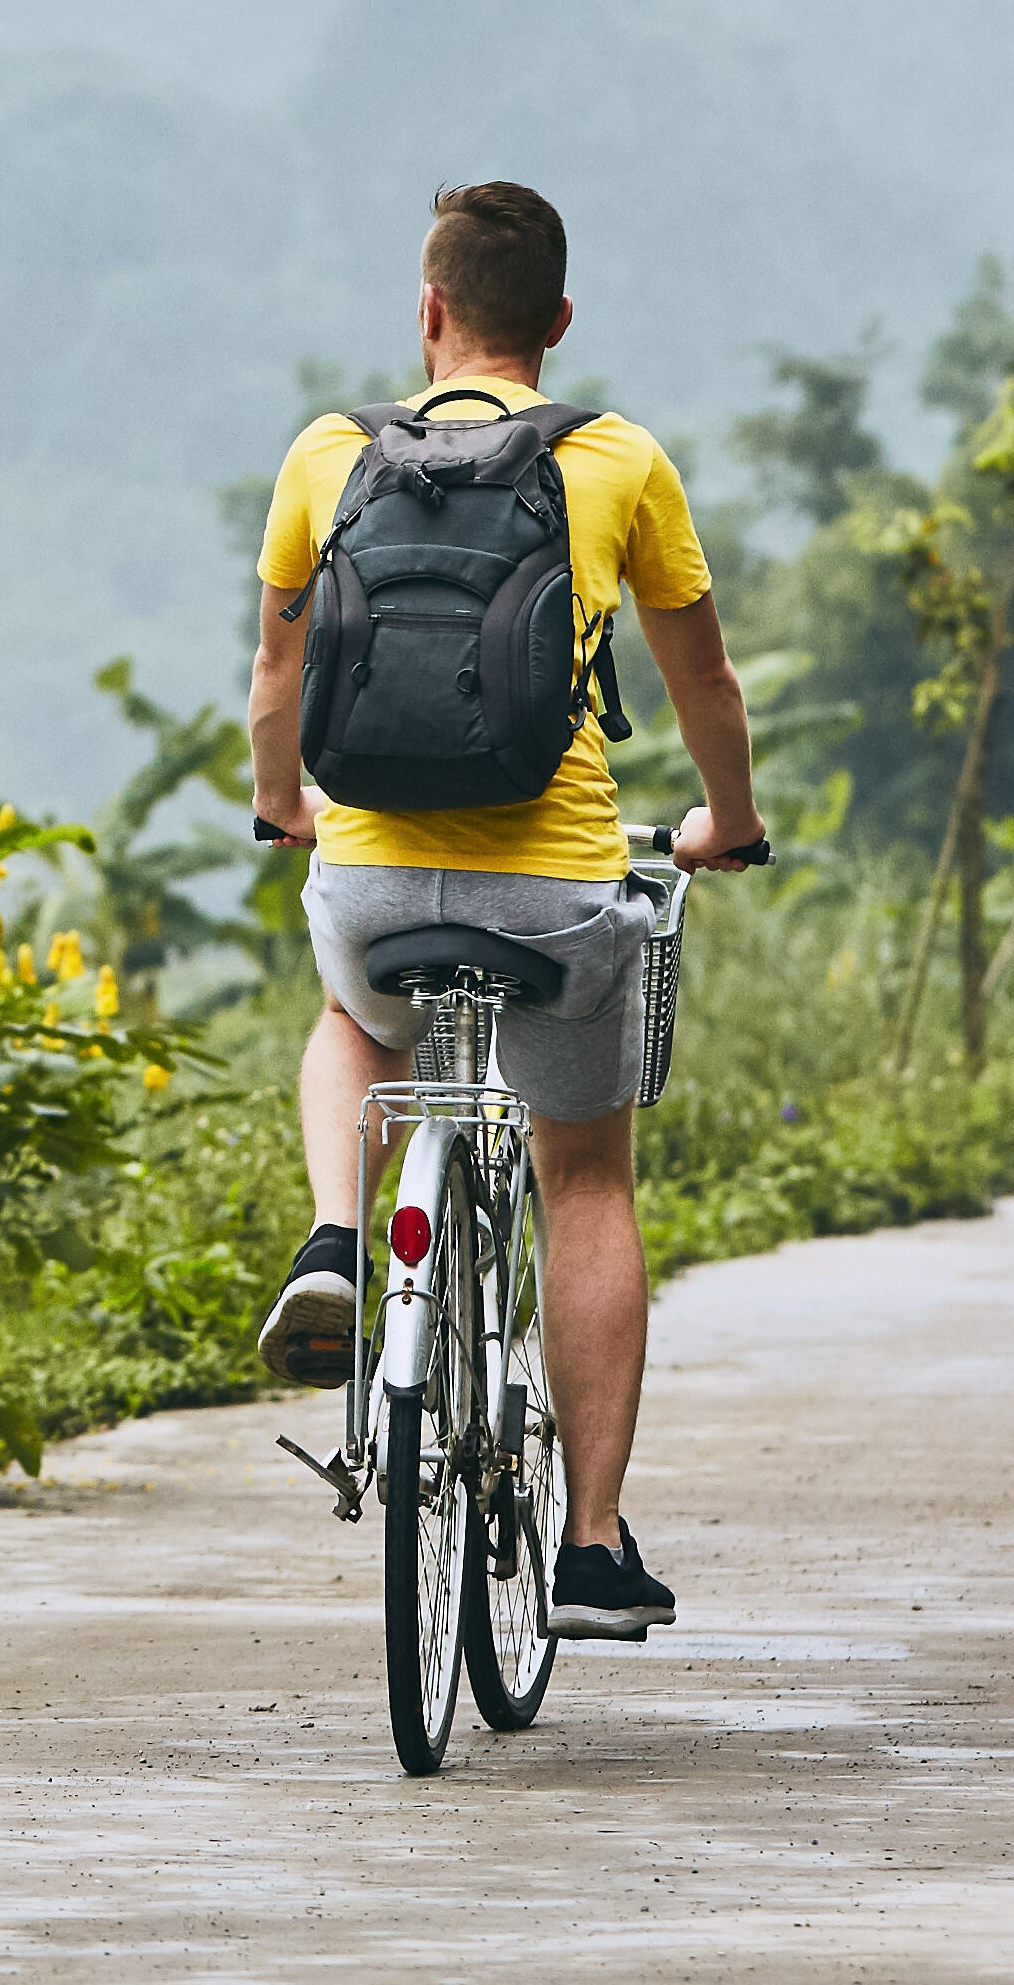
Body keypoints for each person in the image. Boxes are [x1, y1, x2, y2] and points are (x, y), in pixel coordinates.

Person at [244, 176, 764, 1641]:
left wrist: (287, 805)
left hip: (375, 882)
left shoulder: (329, 453)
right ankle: (591, 1545)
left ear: (429, 311)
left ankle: (343, 1238)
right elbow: (704, 682)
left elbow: (279, 682)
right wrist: (728, 819)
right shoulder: (617, 460)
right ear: (559, 320)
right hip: (552, 897)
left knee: (352, 1019)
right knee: (585, 1173)